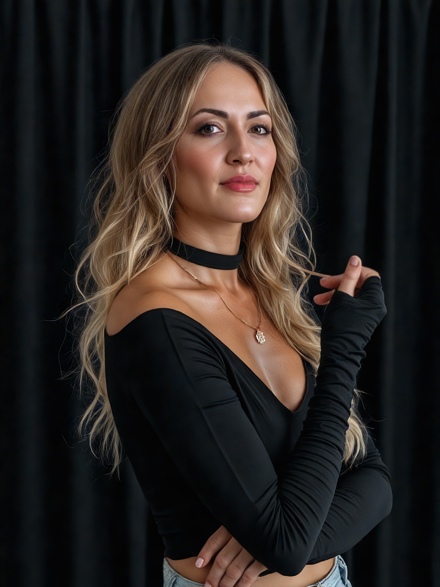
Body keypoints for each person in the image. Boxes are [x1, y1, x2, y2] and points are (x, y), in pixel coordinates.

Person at [73, 43, 392, 587]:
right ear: (159, 155)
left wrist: (290, 539)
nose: (244, 152)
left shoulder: (267, 294)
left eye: (260, 128)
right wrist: (344, 347)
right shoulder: (155, 316)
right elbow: (286, 542)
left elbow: (375, 481)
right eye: (210, 128)